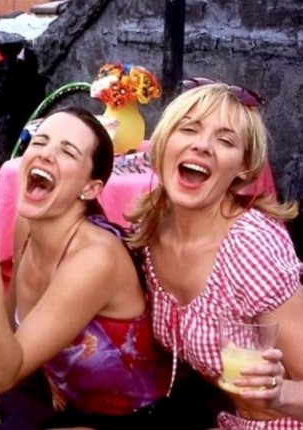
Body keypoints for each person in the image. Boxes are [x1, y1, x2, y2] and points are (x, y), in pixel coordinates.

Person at [0, 106, 172, 429]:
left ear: (91, 188)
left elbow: (0, 377)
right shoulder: (27, 225)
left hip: (134, 417)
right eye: (40, 142)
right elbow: (10, 336)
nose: (45, 154)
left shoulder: (95, 259)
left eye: (67, 151)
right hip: (63, 401)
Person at [127, 79, 303, 428]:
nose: (202, 145)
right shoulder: (153, 227)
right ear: (163, 142)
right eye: (189, 129)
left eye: (225, 140)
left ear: (244, 167)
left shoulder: (251, 246)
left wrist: (278, 393)